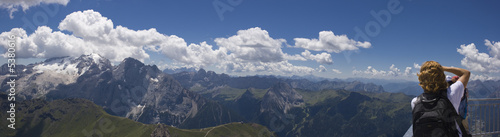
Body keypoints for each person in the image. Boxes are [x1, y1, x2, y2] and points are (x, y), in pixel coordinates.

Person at [411, 61, 471, 137]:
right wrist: (441, 68)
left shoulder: (415, 102)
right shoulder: (451, 94)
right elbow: (466, 73)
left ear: (421, 78)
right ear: (442, 76)